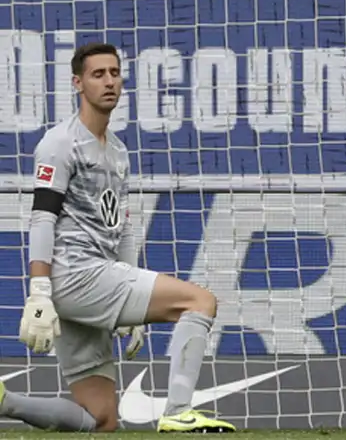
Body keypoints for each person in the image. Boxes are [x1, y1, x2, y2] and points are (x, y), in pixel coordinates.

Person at [2, 42, 236, 433]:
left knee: (101, 419)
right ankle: (178, 411)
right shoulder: (59, 143)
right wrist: (39, 291)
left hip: (95, 278)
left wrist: (131, 298)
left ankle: (5, 403)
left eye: (114, 73)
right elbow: (43, 217)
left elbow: (122, 226)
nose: (109, 82)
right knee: (199, 302)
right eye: (98, 74)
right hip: (76, 275)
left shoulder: (119, 152)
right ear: (78, 83)